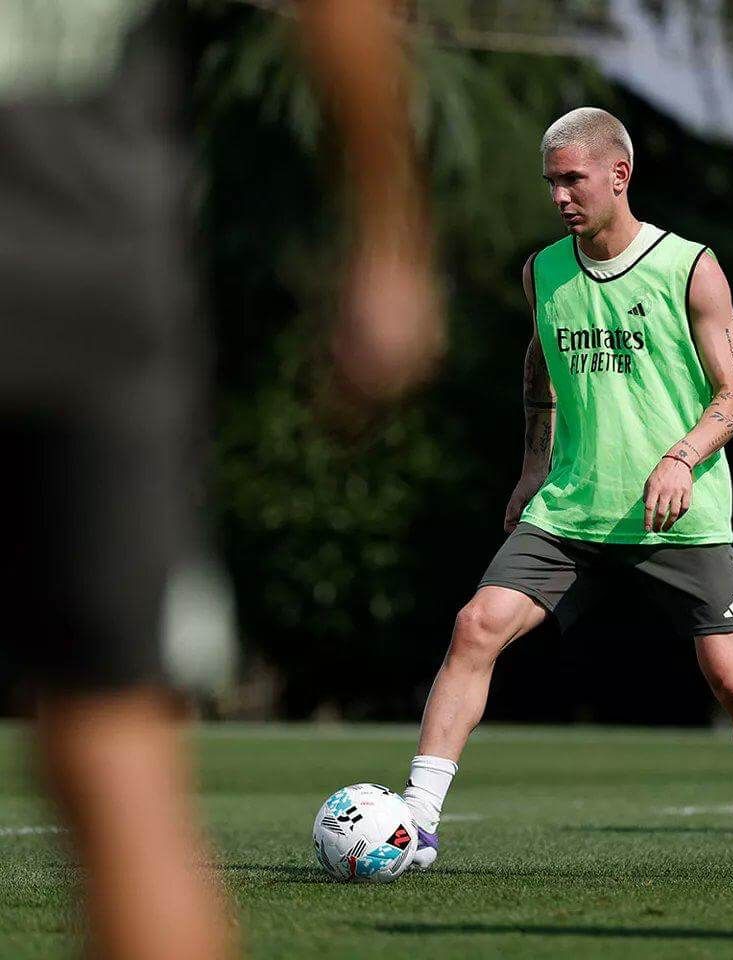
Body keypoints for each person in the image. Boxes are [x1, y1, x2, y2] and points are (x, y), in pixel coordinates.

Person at [0, 2, 439, 958]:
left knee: (106, 747)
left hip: (83, 287)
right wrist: (387, 239)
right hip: (91, 275)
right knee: (113, 748)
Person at [397, 107, 733, 882]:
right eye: (552, 182)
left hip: (680, 514)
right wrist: (534, 467)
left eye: (573, 179)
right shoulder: (543, 271)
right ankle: (418, 822)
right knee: (476, 626)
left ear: (619, 174)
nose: (560, 196)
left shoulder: (690, 267)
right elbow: (540, 368)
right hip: (572, 508)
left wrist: (680, 459)